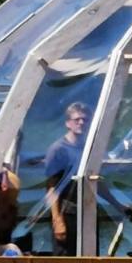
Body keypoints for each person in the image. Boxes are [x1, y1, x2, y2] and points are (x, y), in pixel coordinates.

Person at [44, 102, 89, 255]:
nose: (81, 122)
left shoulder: (87, 149)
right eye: (77, 119)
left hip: (86, 214)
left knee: (89, 262)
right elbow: (51, 187)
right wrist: (57, 221)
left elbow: (94, 181)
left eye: (84, 119)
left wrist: (116, 204)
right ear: (68, 123)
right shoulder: (58, 149)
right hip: (66, 214)